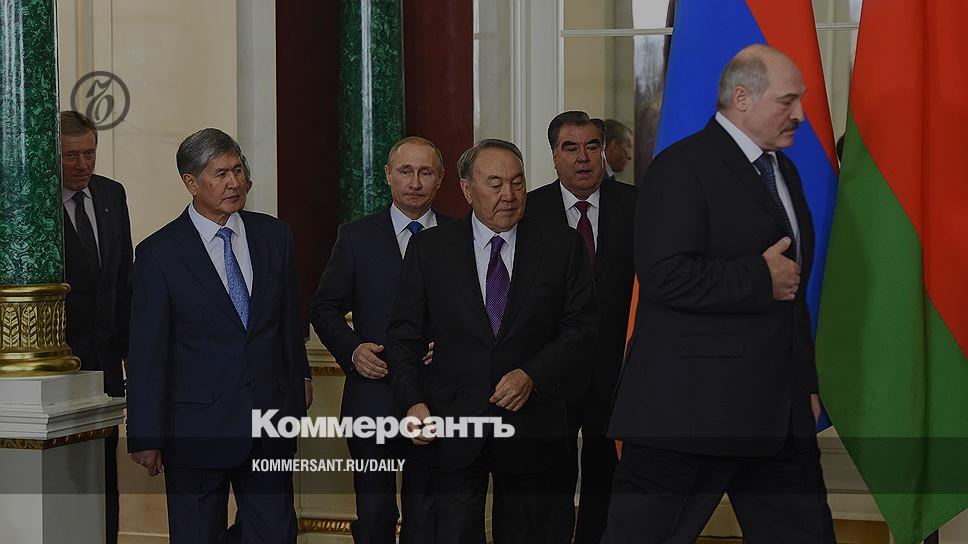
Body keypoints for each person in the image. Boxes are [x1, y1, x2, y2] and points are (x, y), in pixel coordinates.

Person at [603, 44, 835, 543]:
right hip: (688, 413)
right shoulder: (681, 168)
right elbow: (663, 274)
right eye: (788, 101)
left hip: (777, 415)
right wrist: (758, 279)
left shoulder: (785, 172)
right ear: (742, 98)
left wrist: (804, 383)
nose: (800, 114)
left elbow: (793, 297)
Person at [385, 139, 598, 543]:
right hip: (451, 427)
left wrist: (532, 375)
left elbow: (581, 329)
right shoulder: (430, 249)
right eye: (495, 184)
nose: (509, 195)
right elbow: (403, 337)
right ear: (467, 189)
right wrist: (413, 402)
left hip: (533, 427)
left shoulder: (562, 246)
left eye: (517, 182)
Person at [125, 128, 313, 543]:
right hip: (195, 428)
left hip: (268, 423)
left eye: (238, 170)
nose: (234, 182)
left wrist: (300, 379)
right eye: (221, 174)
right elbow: (147, 352)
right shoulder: (159, 253)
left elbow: (287, 321)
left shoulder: (275, 236)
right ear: (191, 183)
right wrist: (145, 434)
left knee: (276, 534)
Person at [310, 136, 451, 543]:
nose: (415, 182)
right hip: (373, 396)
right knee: (374, 515)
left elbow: (478, 311)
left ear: (440, 179)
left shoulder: (460, 235)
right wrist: (352, 350)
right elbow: (324, 307)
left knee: (427, 517)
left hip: (437, 395)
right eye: (405, 171)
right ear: (388, 175)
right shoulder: (356, 237)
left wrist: (451, 344)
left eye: (425, 172)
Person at [526, 111, 637, 544]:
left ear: (603, 151)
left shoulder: (636, 204)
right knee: (550, 480)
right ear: (554, 156)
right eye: (570, 148)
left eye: (592, 146)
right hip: (549, 373)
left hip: (617, 372)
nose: (583, 158)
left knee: (605, 480)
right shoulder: (529, 210)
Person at [60, 110, 133, 544]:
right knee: (63, 474)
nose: (82, 164)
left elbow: (124, 281)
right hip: (60, 363)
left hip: (106, 362)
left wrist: (130, 357)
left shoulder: (111, 194)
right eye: (71, 155)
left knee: (104, 470)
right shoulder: (31, 201)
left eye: (89, 153)